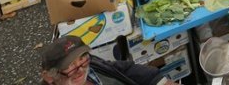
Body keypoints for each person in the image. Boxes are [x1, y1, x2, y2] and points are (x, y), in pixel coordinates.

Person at [39, 35, 171, 85]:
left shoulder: (91, 66)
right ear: (49, 77)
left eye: (82, 59)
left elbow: (124, 68)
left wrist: (159, 81)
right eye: (70, 66)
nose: (81, 70)